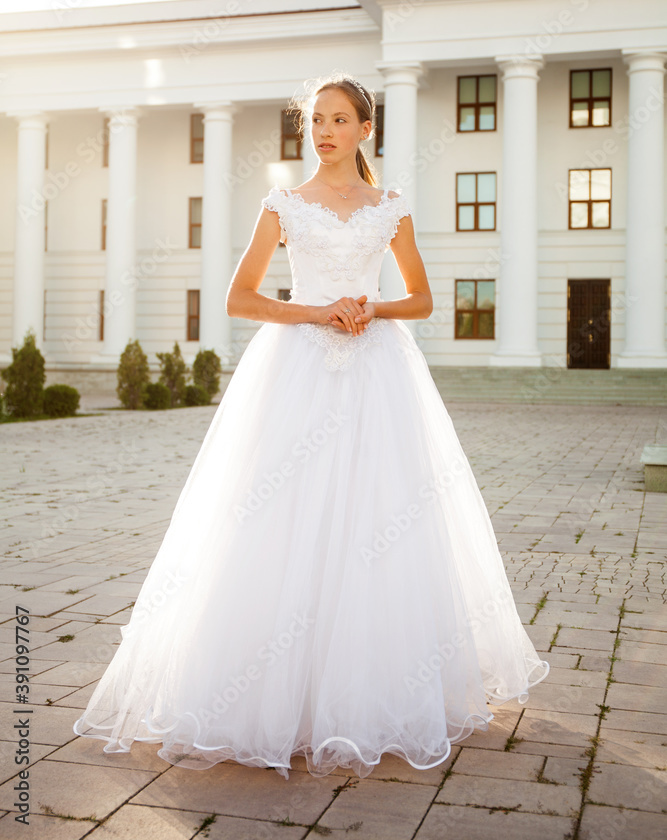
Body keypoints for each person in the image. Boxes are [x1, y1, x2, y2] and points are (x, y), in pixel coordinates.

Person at [72, 71, 549, 780]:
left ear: (364, 130)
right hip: (292, 371)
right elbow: (239, 297)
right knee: (276, 517)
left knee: (381, 519)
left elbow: (419, 300)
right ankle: (262, 695)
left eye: (337, 119)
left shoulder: (389, 206)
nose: (323, 131)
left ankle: (374, 690)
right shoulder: (283, 205)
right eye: (314, 120)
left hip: (379, 373)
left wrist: (367, 308)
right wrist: (317, 312)